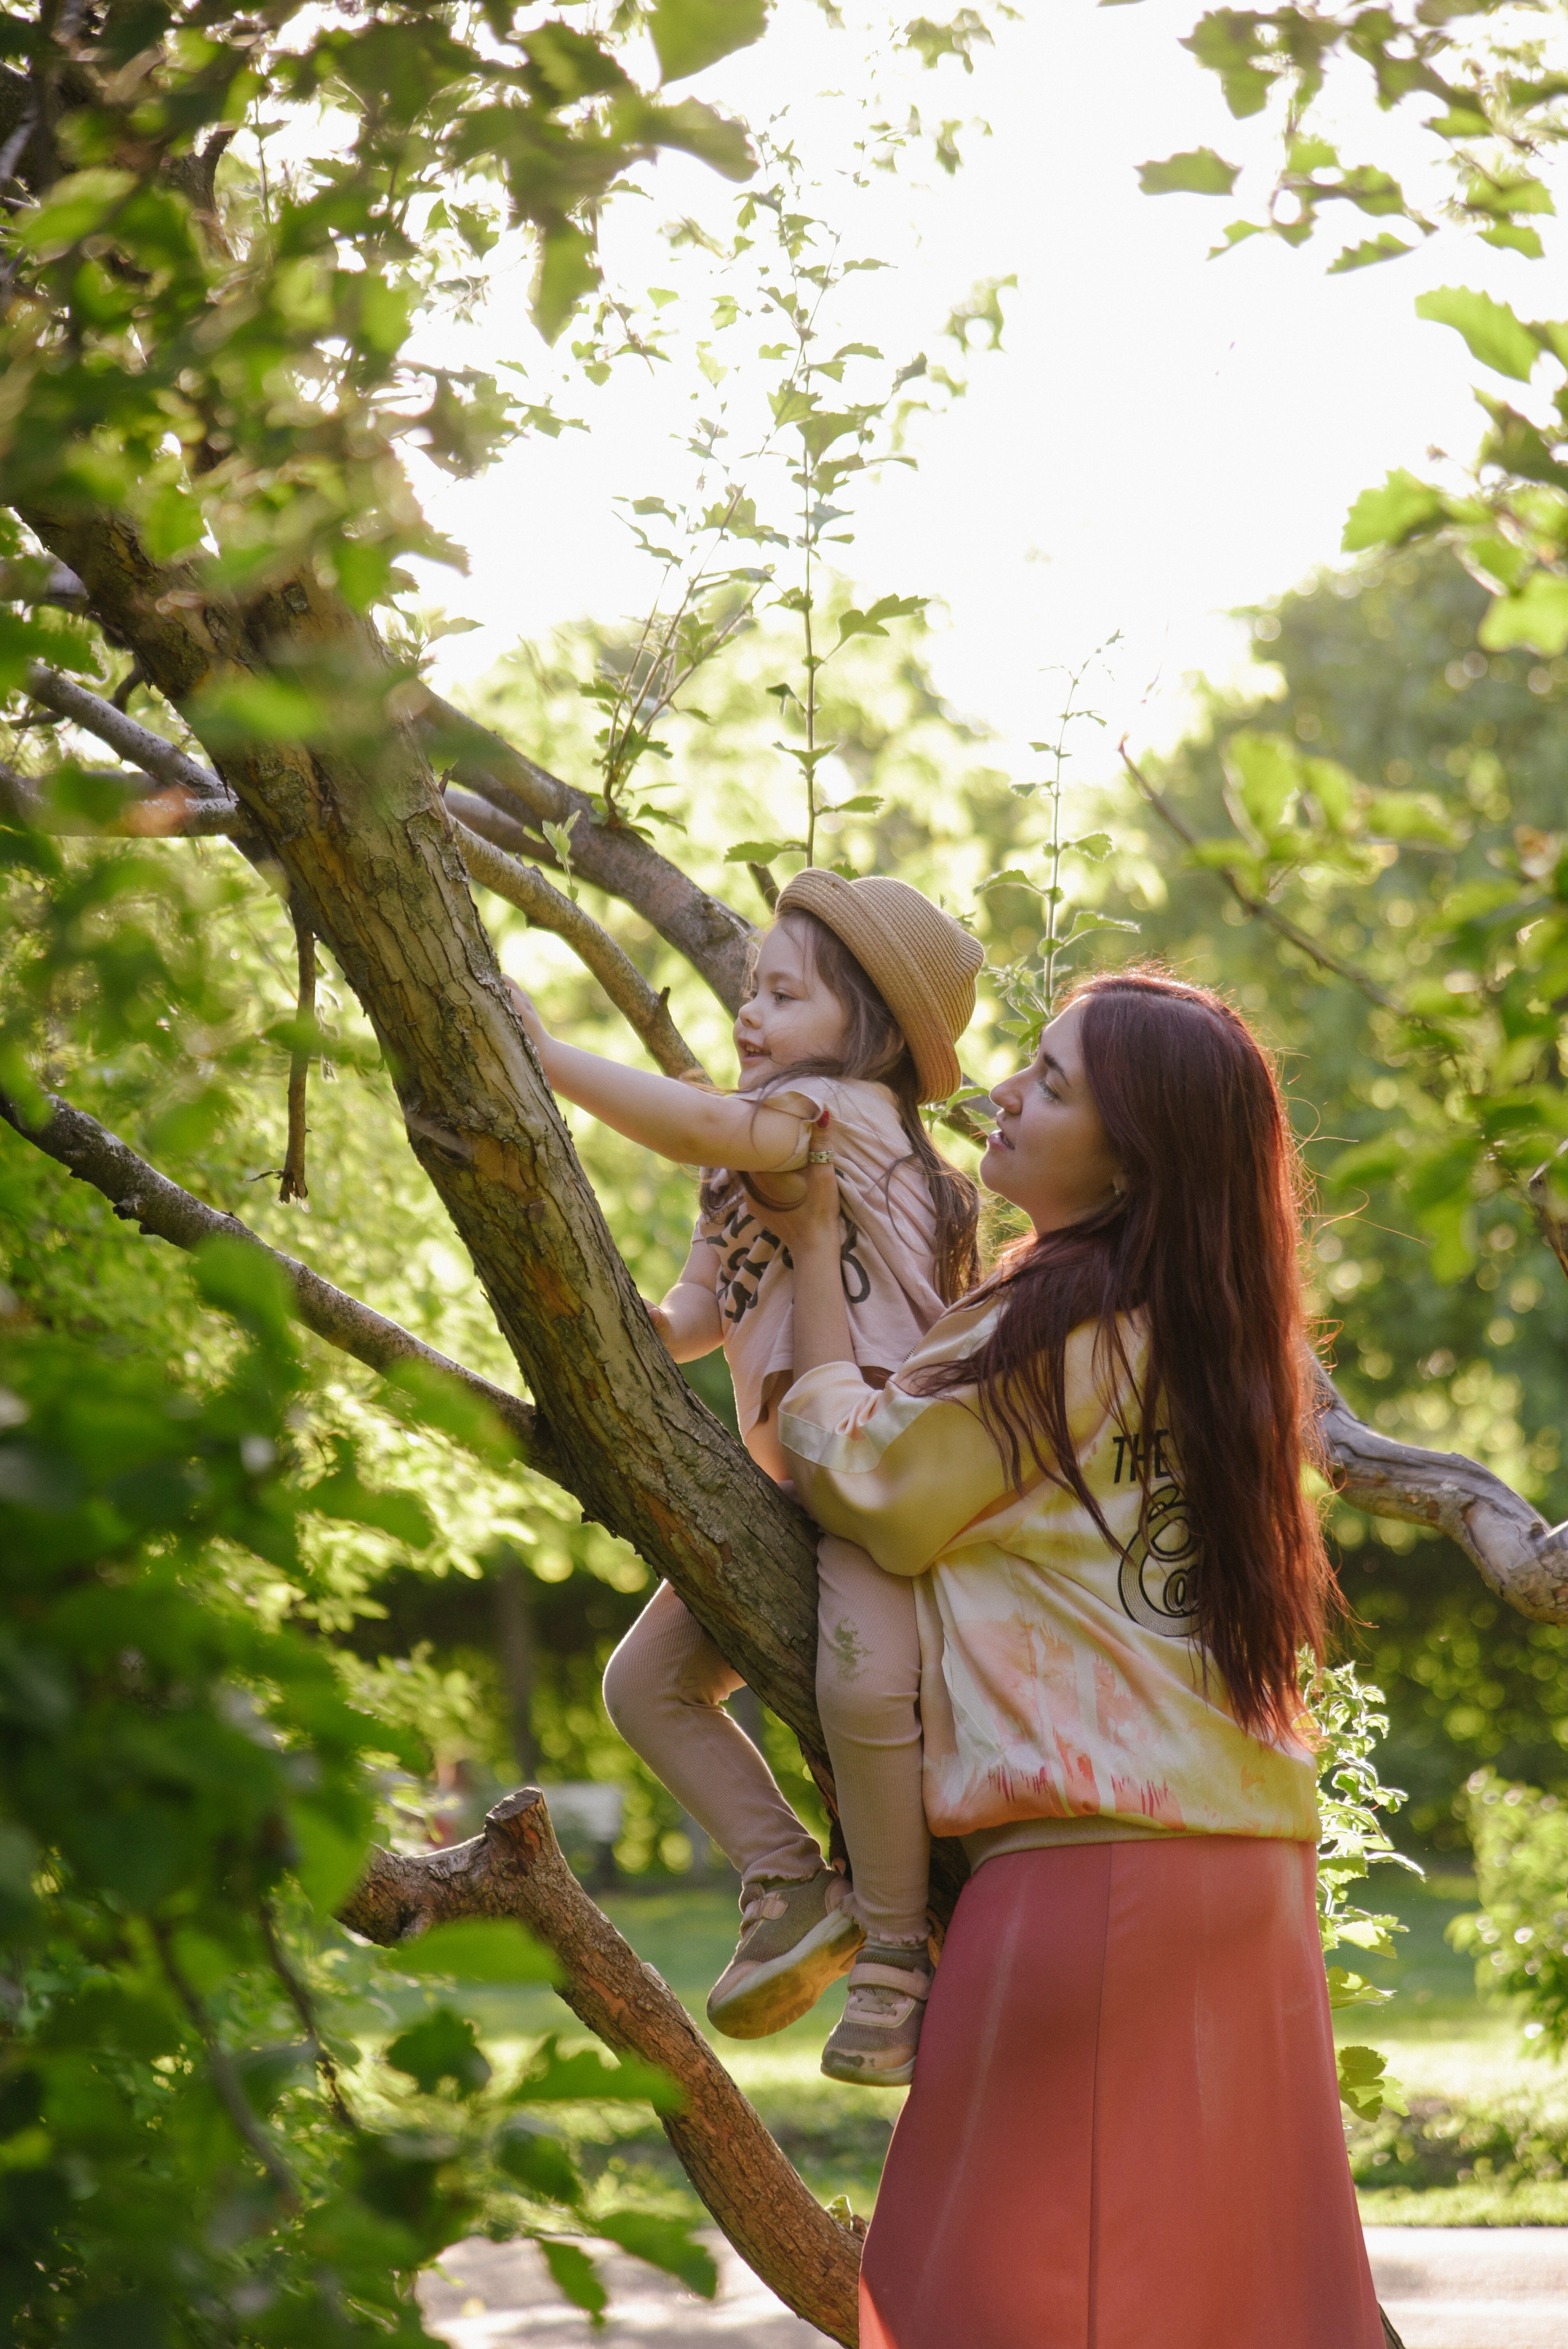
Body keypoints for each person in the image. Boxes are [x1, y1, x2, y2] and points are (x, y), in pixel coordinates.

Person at [775, 970, 1384, 2348]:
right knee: (1237, 2302)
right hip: (1250, 1874)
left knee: (987, 2300)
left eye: (1049, 1085)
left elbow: (875, 1487)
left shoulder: (1054, 1322)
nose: (1002, 1091)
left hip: (1089, 1870)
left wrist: (813, 1265)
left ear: (1131, 1158)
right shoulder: (1229, 1341)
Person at [507, 869, 982, 2082]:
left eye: (785, 994)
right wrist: (568, 1316)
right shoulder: (739, 1168)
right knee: (644, 1685)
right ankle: (785, 1882)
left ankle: (891, 1952)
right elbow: (688, 1315)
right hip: (792, 1483)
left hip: (884, 1476)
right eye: (751, 990)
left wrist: (539, 1053)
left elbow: (709, 1122)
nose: (749, 1014)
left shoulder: (842, 1115)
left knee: (867, 1687)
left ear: (868, 1033)